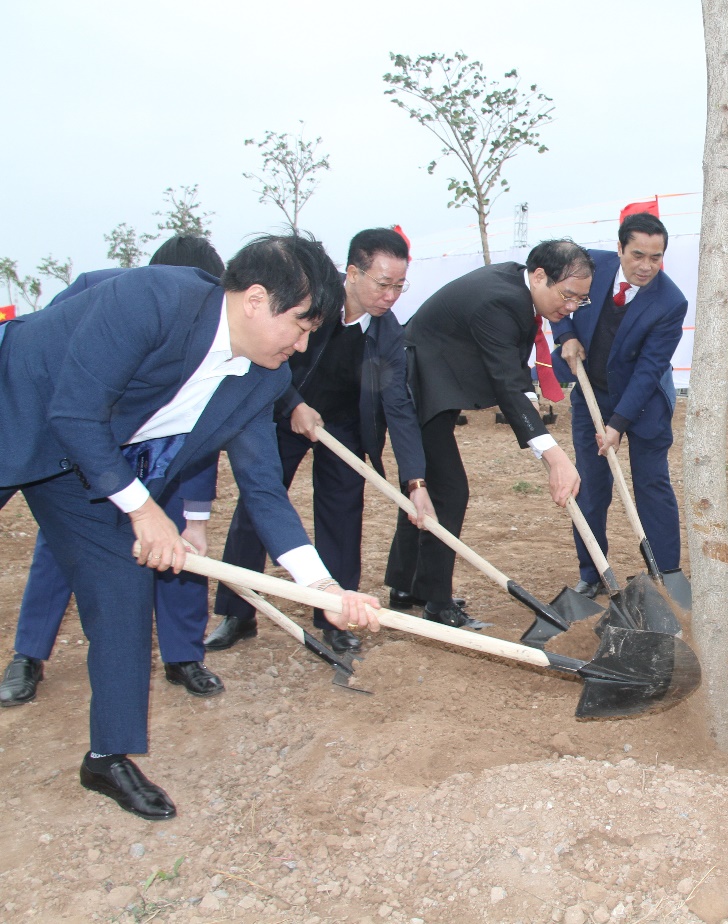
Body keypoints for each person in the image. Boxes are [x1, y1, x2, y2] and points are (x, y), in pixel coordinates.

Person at [0, 235, 380, 820]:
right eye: (300, 327)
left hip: (87, 461)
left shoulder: (264, 377)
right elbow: (74, 411)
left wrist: (320, 587)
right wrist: (144, 510)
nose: (303, 346)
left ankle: (107, 755)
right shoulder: (152, 299)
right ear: (256, 299)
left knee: (123, 587)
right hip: (16, 408)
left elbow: (262, 490)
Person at [0, 237, 229, 707]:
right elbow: (51, 367)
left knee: (178, 549)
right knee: (60, 549)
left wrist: (198, 516)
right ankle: (28, 654)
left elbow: (207, 440)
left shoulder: (219, 339)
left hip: (159, 458)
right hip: (87, 450)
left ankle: (183, 655)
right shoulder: (101, 292)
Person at [208, 228, 448, 653]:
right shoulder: (310, 301)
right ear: (352, 273)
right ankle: (237, 612)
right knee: (258, 506)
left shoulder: (388, 331)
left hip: (343, 424)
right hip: (282, 412)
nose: (391, 295)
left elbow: (399, 407)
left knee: (342, 515)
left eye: (398, 285)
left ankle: (334, 615)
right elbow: (268, 360)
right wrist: (294, 404)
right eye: (383, 283)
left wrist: (416, 483)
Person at [385, 240, 588, 613]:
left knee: (428, 485)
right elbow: (507, 382)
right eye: (568, 295)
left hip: (434, 380)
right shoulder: (502, 300)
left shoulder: (516, 288)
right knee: (448, 491)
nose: (572, 307)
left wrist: (538, 434)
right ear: (540, 276)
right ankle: (436, 601)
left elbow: (513, 377)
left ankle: (407, 585)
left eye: (580, 301)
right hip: (418, 382)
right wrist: (555, 457)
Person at [550, 213, 687, 599]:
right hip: (593, 393)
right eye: (638, 255)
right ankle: (592, 573)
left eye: (656, 258)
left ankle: (665, 575)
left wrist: (619, 424)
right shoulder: (588, 265)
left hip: (645, 404)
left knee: (651, 484)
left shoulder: (671, 302)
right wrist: (565, 335)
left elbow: (649, 369)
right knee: (591, 486)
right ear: (620, 249)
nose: (646, 266)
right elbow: (559, 300)